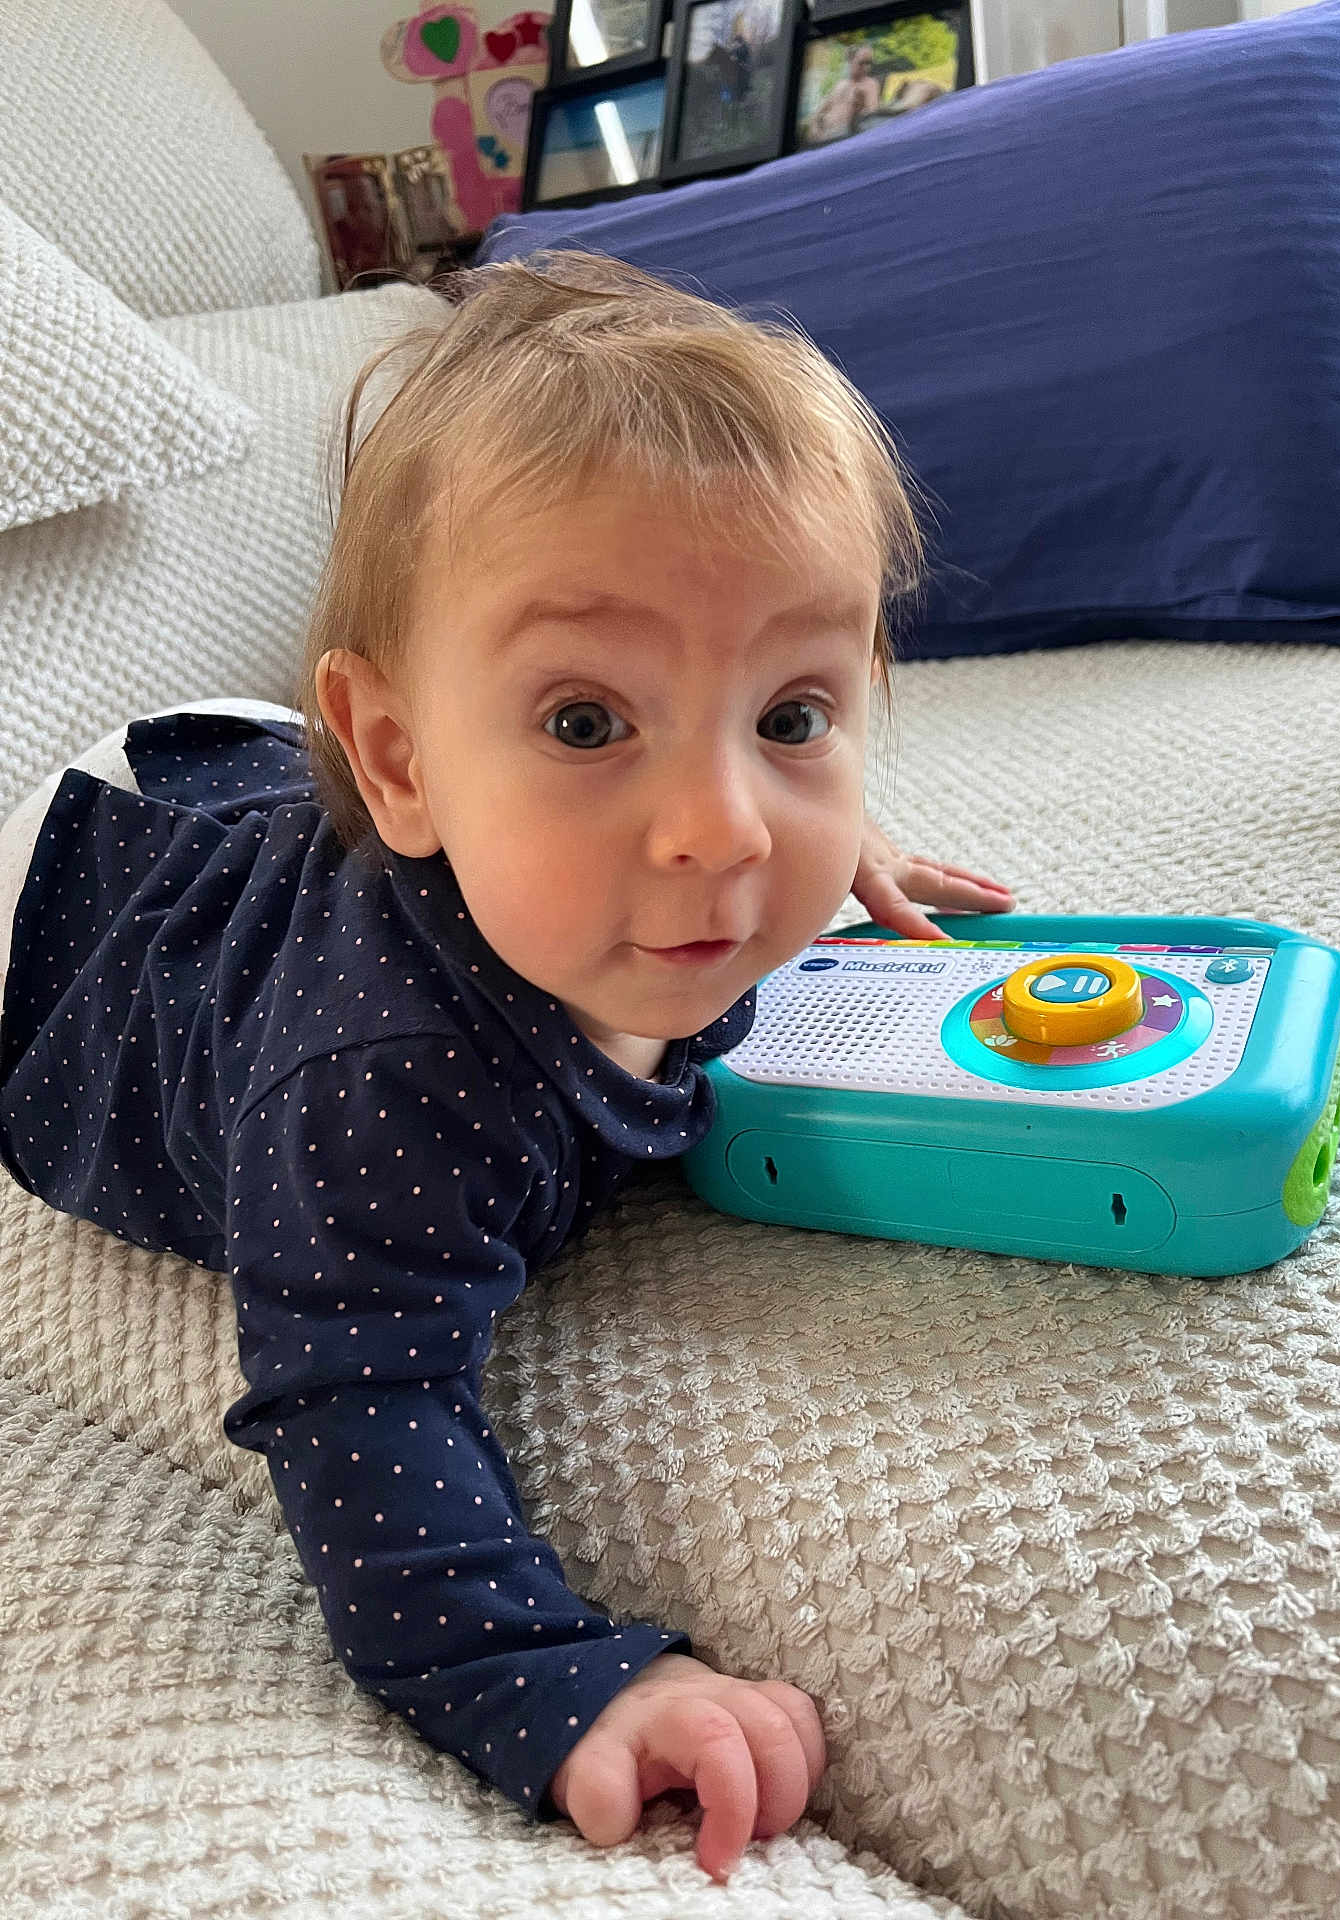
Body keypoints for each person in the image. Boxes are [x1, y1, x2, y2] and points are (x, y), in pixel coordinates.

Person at [0, 251, 1012, 1882]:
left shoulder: (678, 860)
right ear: (396, 762)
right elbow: (358, 1405)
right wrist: (549, 1678)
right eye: (590, 725)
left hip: (264, 776)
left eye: (792, 716)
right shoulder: (379, 1086)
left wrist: (839, 844)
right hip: (68, 915)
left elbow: (734, 810)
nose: (723, 833)